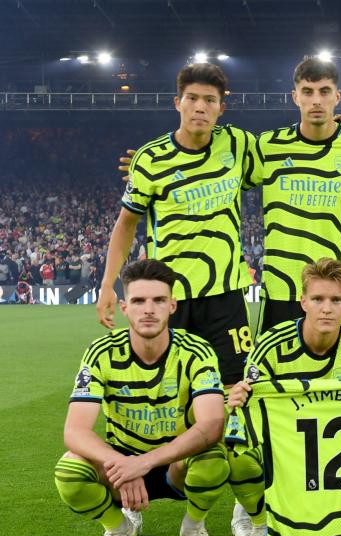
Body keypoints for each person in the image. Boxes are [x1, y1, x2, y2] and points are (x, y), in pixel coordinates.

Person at [54, 259, 229, 536]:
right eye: (138, 301)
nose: (149, 309)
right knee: (69, 470)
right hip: (121, 468)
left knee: (214, 458)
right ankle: (117, 528)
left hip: (175, 466)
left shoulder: (196, 350)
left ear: (172, 305)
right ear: (124, 306)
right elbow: (75, 431)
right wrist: (123, 464)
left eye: (159, 300)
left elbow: (212, 424)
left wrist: (146, 462)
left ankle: (193, 527)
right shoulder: (101, 351)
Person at [97, 63, 256, 386]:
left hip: (224, 294)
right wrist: (106, 284)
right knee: (173, 387)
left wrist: (339, 125)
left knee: (234, 386)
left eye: (210, 100)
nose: (200, 107)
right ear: (177, 102)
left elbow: (290, 149)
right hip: (170, 296)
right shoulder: (151, 159)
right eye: (192, 98)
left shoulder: (239, 144)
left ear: (221, 108)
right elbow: (126, 223)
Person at [225, 258, 341, 536]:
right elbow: (246, 403)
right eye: (317, 299)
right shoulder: (271, 346)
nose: (326, 308)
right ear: (303, 302)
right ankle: (260, 523)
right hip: (285, 449)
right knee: (237, 451)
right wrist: (236, 398)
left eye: (335, 300)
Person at [247, 57, 341, 332]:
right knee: (276, 373)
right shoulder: (267, 146)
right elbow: (222, 174)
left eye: (324, 92)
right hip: (283, 288)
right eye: (308, 92)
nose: (316, 100)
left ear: (337, 96)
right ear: (295, 96)